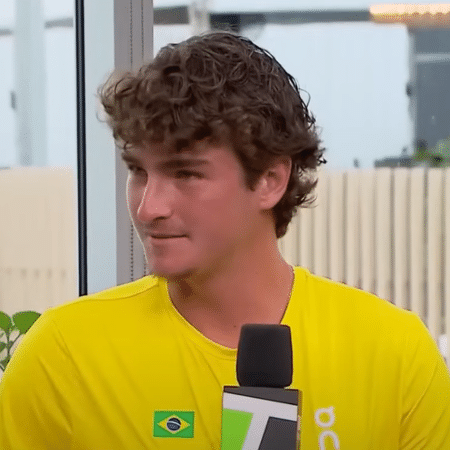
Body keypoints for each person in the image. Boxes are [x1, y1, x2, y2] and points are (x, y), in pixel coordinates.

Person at [1, 31, 449, 450]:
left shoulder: (394, 356)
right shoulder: (63, 358)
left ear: (270, 180)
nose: (149, 207)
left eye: (185, 173)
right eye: (138, 171)